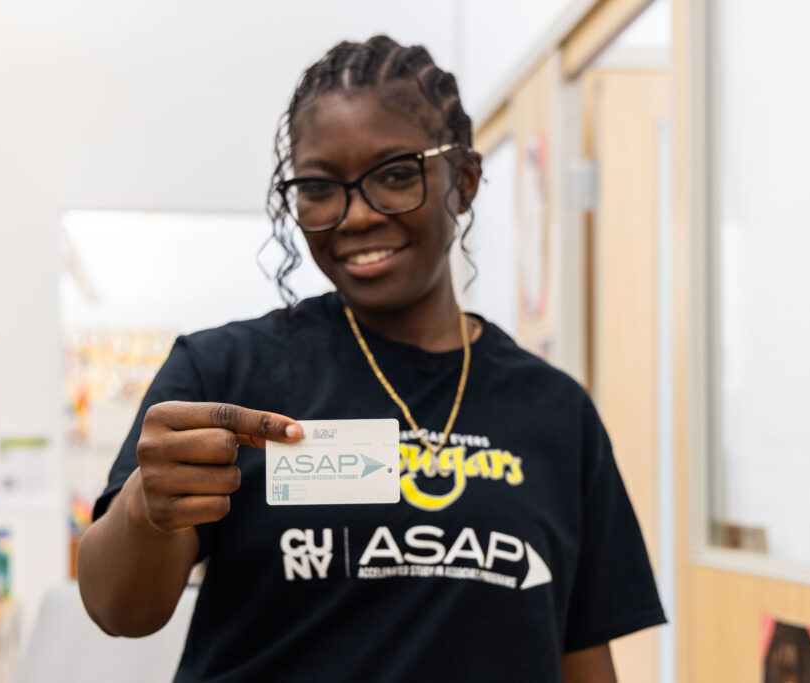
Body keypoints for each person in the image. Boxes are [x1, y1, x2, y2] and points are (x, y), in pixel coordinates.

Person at [77, 35, 665, 683]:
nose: (355, 215)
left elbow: (581, 653)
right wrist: (143, 509)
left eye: (394, 175)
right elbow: (118, 609)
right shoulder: (225, 375)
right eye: (320, 186)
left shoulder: (556, 412)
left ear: (464, 180)